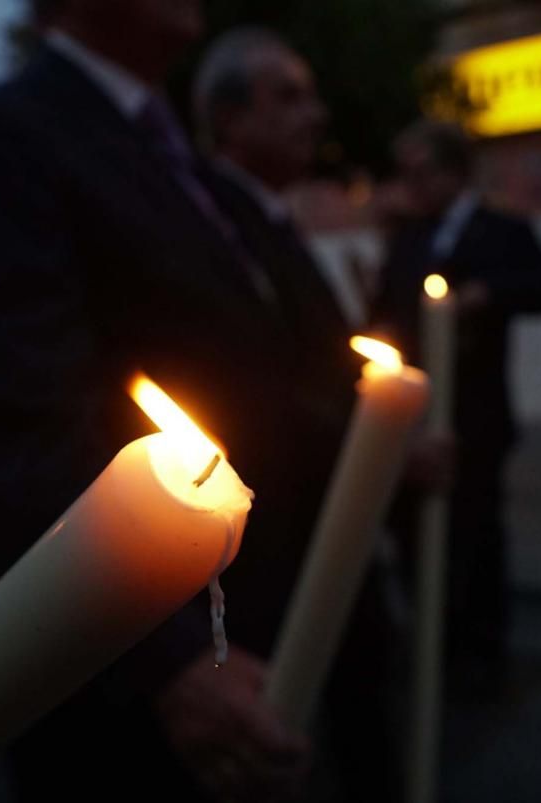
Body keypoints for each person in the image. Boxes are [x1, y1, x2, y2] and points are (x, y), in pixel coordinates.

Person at [0, 3, 327, 800]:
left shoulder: (176, 156)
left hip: (242, 604)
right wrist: (167, 659)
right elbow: (23, 425)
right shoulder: (0, 132)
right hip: (125, 646)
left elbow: (256, 364)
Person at [192, 28, 402, 799]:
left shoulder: (280, 222)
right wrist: (375, 442)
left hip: (327, 533)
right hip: (267, 547)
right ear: (228, 119)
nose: (314, 114)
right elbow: (251, 385)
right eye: (289, 96)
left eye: (311, 95)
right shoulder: (206, 221)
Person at [373, 120, 541, 698]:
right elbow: (384, 311)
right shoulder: (410, 235)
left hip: (475, 416)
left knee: (476, 535)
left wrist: (490, 293)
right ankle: (432, 642)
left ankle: (481, 652)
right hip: (411, 419)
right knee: (414, 536)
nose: (410, 184)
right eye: (405, 173)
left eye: (421, 172)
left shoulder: (502, 231)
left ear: (452, 172)